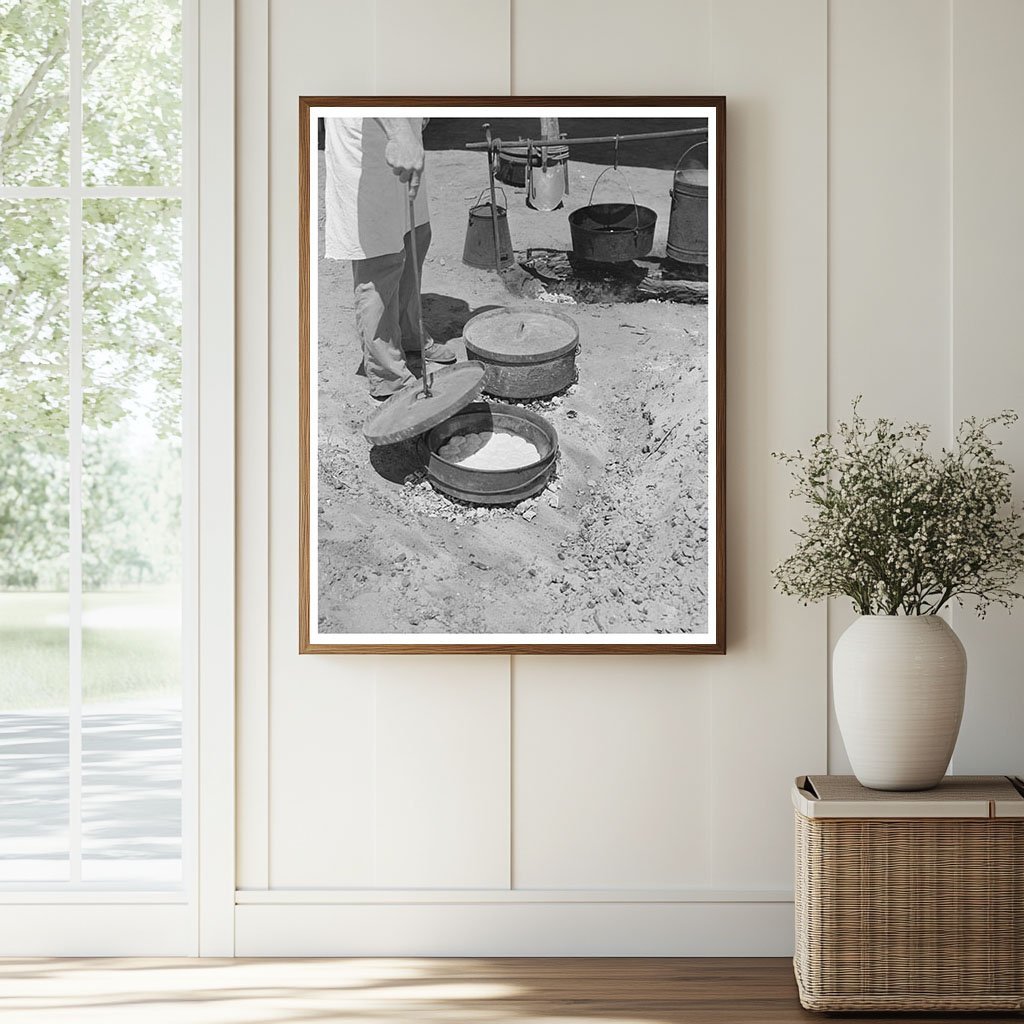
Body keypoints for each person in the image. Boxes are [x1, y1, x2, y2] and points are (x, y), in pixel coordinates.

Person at [324, 117, 457, 401]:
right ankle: (388, 375)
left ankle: (409, 334)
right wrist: (399, 133)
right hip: (368, 143)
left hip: (403, 132)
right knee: (380, 257)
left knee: (416, 236)